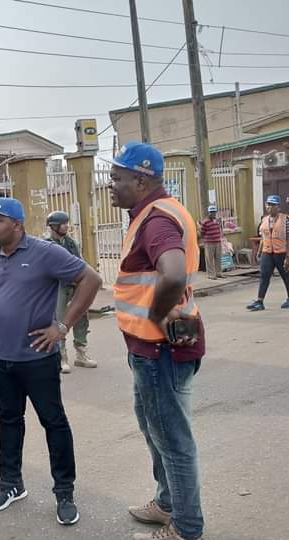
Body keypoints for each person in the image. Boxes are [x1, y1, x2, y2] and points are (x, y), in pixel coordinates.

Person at [0, 198, 101, 526]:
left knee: (54, 423)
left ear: (16, 225)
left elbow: (91, 280)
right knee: (9, 421)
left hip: (37, 360)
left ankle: (64, 492)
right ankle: (11, 484)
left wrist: (62, 327)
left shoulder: (46, 252)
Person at [107, 141, 205, 540]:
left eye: (117, 178)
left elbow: (174, 273)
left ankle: (185, 527)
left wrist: (157, 314)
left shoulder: (157, 221)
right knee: (154, 429)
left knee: (172, 440)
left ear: (141, 179)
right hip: (148, 348)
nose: (110, 185)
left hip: (159, 348)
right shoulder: (150, 212)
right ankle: (167, 503)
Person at [45, 210, 97, 373]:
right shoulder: (47, 245)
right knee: (60, 320)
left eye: (67, 223)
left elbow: (79, 261)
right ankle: (61, 357)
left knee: (81, 317)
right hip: (59, 286)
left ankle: (81, 354)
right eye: (63, 223)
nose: (66, 226)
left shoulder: (71, 243)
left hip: (76, 285)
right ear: (53, 226)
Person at [246, 194, 289, 311]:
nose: (270, 207)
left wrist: (288, 257)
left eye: (273, 205)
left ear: (278, 207)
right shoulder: (264, 220)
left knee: (286, 276)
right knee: (264, 276)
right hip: (267, 252)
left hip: (282, 253)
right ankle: (260, 301)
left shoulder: (286, 220)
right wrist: (259, 253)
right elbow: (263, 238)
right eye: (268, 204)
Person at [198, 205, 223, 280]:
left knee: (218, 258)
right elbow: (202, 233)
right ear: (209, 213)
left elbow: (219, 229)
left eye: (214, 212)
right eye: (212, 212)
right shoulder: (205, 222)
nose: (213, 214)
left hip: (218, 241)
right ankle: (211, 274)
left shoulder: (217, 220)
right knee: (209, 259)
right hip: (209, 242)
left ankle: (218, 273)